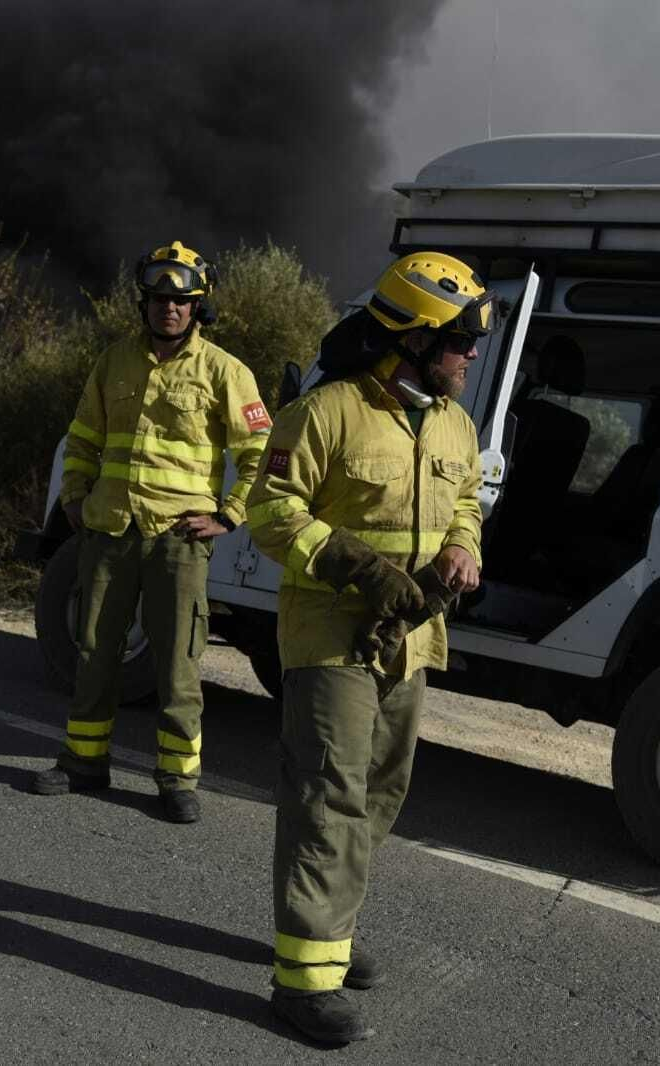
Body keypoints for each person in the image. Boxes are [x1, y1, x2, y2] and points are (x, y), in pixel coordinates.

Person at [246, 251, 493, 1043]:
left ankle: (329, 930)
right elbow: (270, 511)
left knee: (381, 792)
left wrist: (465, 547)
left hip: (412, 645)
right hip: (330, 638)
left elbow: (467, 500)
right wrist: (357, 565)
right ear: (414, 338)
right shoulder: (327, 412)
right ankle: (303, 981)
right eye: (460, 339)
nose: (472, 353)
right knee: (329, 795)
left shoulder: (456, 421)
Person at [31, 241, 270, 824]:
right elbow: (84, 436)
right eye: (160, 298)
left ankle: (176, 778)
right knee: (95, 653)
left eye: (181, 300)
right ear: (146, 303)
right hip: (110, 531)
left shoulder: (225, 372)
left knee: (178, 663)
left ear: (198, 308)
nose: (169, 308)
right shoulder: (114, 361)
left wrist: (229, 516)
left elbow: (263, 451)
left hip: (178, 541)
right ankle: (84, 761)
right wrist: (75, 499)